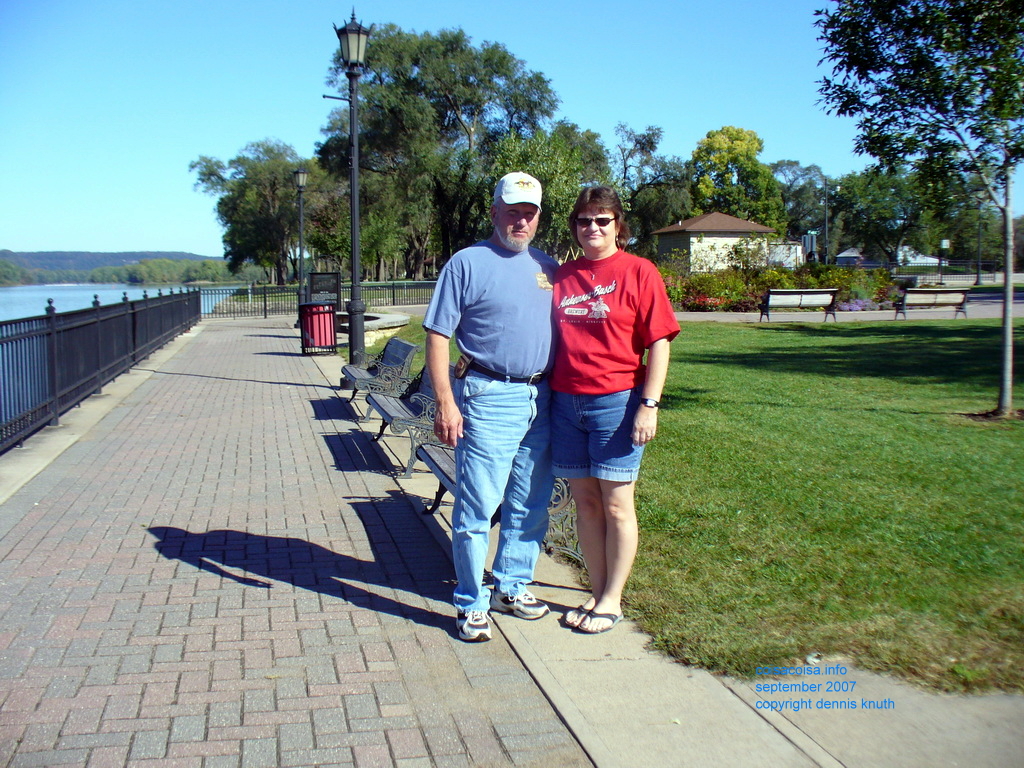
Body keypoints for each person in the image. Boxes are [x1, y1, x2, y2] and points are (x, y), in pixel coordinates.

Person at [423, 172, 558, 642]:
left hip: (541, 397)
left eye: (529, 212)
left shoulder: (548, 267)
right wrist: (445, 402)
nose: (520, 220)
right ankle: (470, 602)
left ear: (539, 217)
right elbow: (438, 335)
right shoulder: (466, 263)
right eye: (512, 210)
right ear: (494, 211)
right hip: (487, 396)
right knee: (479, 507)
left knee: (529, 502)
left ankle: (512, 585)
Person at [550, 186, 680, 634]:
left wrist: (650, 404)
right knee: (585, 504)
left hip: (618, 403)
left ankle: (612, 600)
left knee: (617, 505)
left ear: (618, 226)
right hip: (565, 402)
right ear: (575, 227)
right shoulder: (562, 276)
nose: (593, 228)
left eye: (602, 220)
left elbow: (658, 342)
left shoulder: (640, 272)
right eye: (585, 220)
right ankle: (597, 589)